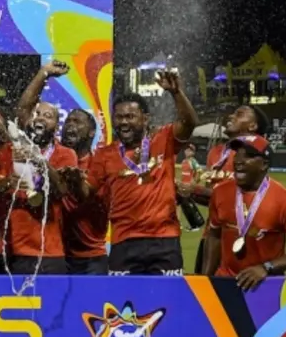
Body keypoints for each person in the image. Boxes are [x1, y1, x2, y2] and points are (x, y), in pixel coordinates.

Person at [68, 71, 198, 275]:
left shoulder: (163, 139)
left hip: (163, 241)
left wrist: (176, 93)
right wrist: (74, 180)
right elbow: (86, 193)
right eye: (118, 117)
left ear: (145, 119)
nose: (123, 122)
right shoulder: (105, 154)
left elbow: (190, 123)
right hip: (124, 242)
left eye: (130, 116)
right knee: (123, 304)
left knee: (167, 303)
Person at [0, 61, 79, 275]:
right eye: (37, 114)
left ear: (56, 126)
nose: (40, 118)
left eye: (48, 116)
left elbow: (60, 190)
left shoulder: (65, 154)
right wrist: (43, 73)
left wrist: (38, 160)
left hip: (48, 251)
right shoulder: (11, 149)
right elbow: (23, 109)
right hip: (10, 249)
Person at [203, 135, 286, 289]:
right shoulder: (220, 192)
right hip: (225, 283)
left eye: (249, 156)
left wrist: (266, 267)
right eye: (237, 154)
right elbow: (214, 236)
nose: (238, 161)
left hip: (266, 286)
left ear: (264, 164)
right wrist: (204, 280)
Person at [190, 105, 270, 272]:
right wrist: (188, 195)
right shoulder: (216, 152)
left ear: (253, 126)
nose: (231, 117)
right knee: (203, 292)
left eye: (239, 114)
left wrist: (194, 190)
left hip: (239, 239)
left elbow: (247, 198)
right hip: (211, 236)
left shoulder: (255, 155)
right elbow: (214, 202)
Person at [59, 107, 108, 274]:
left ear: (91, 133)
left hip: (91, 257)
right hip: (58, 255)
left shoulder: (100, 166)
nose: (70, 125)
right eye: (68, 121)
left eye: (77, 122)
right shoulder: (55, 160)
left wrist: (79, 184)